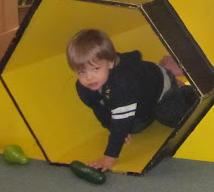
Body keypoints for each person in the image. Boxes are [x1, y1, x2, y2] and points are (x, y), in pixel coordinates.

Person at [66, 29, 197, 172]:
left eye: (95, 69)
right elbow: (98, 107)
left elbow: (121, 122)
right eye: (81, 71)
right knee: (132, 129)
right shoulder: (84, 87)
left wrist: (108, 158)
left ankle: (182, 85)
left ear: (110, 62)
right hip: (140, 97)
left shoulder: (122, 83)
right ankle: (143, 99)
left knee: (178, 120)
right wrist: (109, 126)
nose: (89, 77)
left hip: (160, 88)